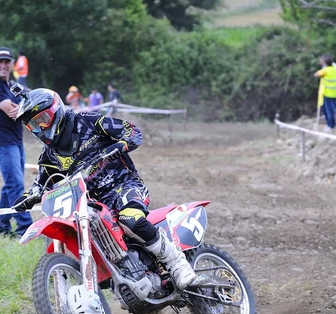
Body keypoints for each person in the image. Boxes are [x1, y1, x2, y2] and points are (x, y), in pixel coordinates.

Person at [12, 88, 219, 290]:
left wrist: (120, 145)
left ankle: (179, 266)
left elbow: (132, 132)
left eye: (43, 119)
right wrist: (30, 196)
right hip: (92, 203)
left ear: (56, 110)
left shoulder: (89, 122)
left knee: (131, 219)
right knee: (81, 232)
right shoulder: (49, 156)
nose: (40, 128)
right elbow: (41, 183)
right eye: (33, 125)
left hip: (125, 186)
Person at [0, 46, 32, 237]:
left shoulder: (9, 85)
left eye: (6, 62)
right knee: (16, 185)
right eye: (0, 62)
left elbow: (33, 95)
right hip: (3, 142)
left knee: (10, 184)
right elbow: (13, 111)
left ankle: (1, 226)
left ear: (11, 65)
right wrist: (30, 106)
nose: (3, 65)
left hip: (16, 141)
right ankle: (25, 229)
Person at [314, 55, 336, 131]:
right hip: (335, 93)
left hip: (328, 93)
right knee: (333, 109)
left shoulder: (326, 70)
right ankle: (334, 124)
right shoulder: (335, 69)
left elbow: (317, 74)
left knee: (328, 110)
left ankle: (330, 125)